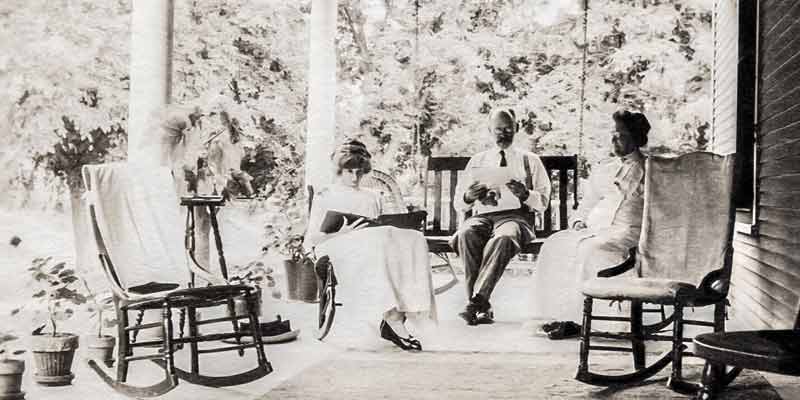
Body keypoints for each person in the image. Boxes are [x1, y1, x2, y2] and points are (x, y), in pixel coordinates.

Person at [305, 139, 437, 351]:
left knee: (413, 239)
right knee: (376, 242)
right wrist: (344, 232)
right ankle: (392, 317)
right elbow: (312, 239)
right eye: (349, 171)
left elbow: (379, 226)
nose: (355, 177)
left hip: (372, 245)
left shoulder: (372, 197)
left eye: (359, 172)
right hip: (335, 246)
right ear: (340, 170)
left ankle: (405, 310)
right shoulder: (326, 195)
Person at [530, 110, 650, 340]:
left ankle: (586, 320)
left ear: (635, 138)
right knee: (555, 244)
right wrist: (578, 220)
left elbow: (657, 210)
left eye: (621, 135)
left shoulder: (650, 170)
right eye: (612, 134)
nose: (614, 139)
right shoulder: (604, 169)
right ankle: (556, 316)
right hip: (596, 230)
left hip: (630, 232)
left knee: (591, 251)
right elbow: (587, 204)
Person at [451, 108, 552, 326]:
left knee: (504, 238)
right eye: (498, 129)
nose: (503, 134)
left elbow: (543, 201)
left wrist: (525, 194)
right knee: (466, 234)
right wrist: (469, 196)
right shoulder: (478, 160)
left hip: (515, 219)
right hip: (482, 217)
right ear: (490, 130)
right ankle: (481, 306)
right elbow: (459, 202)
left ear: (516, 128)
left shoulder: (530, 160)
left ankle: (475, 301)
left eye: (508, 129)